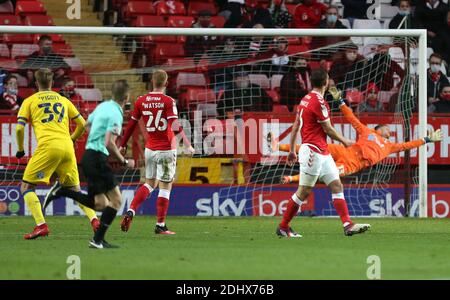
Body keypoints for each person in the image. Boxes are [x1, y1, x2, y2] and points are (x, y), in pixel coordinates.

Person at [277, 87, 443, 183]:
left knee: (326, 172)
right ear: (379, 129)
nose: (389, 131)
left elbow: (407, 145)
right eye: (386, 128)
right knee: (315, 146)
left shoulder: (390, 146)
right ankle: (278, 146)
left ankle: (291, 178)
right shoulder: (367, 131)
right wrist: (341, 101)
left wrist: (427, 139)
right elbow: (352, 118)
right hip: (347, 150)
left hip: (353, 163)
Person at [276, 68, 370, 238]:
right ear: (326, 82)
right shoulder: (319, 102)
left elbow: (296, 124)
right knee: (303, 192)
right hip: (313, 152)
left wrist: (291, 150)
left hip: (322, 152)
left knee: (336, 185)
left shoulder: (305, 99)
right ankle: (283, 227)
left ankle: (348, 225)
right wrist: (345, 141)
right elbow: (327, 128)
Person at [44, 80, 135, 249]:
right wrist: (124, 161)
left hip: (88, 156)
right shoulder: (116, 113)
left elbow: (87, 125)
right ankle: (97, 240)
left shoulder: (103, 106)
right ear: (127, 97)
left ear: (112, 94)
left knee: (100, 204)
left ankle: (63, 191)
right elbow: (109, 142)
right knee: (116, 200)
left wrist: (96, 137)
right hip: (98, 158)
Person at [15, 68, 99, 240]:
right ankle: (95, 221)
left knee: (26, 187)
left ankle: (41, 225)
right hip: (67, 147)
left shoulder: (29, 101)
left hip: (48, 146)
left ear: (36, 83)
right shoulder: (63, 100)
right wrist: (72, 139)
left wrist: (20, 149)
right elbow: (83, 124)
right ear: (52, 83)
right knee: (75, 190)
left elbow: (18, 128)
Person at [119, 70, 194, 234]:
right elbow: (174, 124)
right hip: (166, 149)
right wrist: (187, 144)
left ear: (152, 81)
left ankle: (131, 209)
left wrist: (122, 145)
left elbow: (131, 125)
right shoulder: (168, 101)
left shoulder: (141, 101)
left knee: (149, 183)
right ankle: (160, 225)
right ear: (166, 84)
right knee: (165, 186)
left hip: (150, 149)